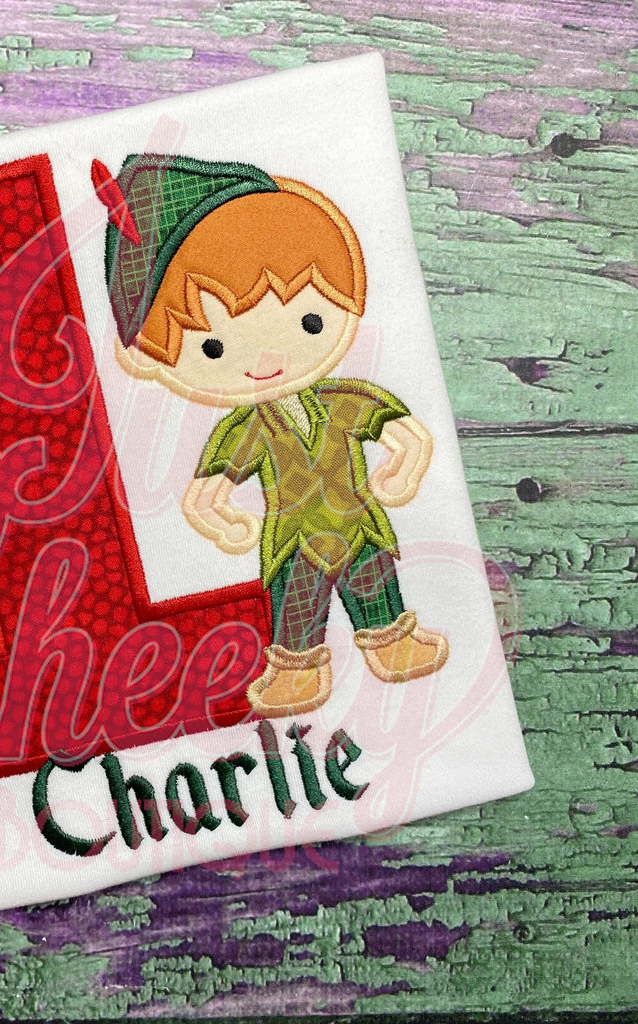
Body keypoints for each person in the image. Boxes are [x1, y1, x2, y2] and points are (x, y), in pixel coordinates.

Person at [94, 154, 449, 717]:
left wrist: (405, 462)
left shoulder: (343, 400)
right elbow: (207, 493)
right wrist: (223, 519)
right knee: (297, 605)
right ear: (144, 356)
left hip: (359, 525)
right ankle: (296, 668)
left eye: (310, 321)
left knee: (374, 582)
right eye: (213, 348)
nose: (266, 359)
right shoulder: (248, 427)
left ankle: (392, 639)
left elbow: (405, 434)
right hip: (294, 540)